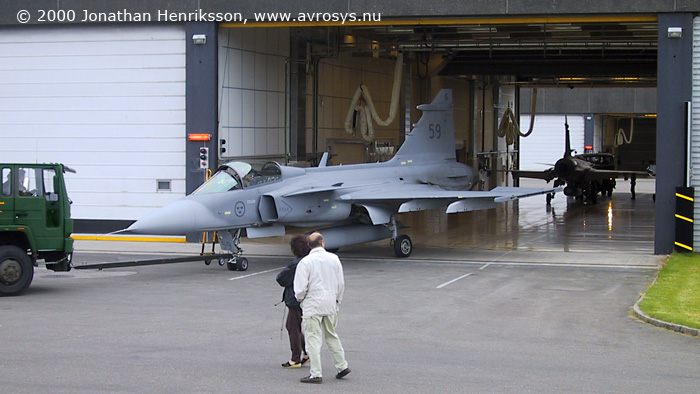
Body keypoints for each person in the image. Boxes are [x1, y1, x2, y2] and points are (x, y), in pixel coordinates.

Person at [294, 232, 350, 384]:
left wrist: (301, 300)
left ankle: (316, 373)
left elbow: (299, 288)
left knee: (313, 340)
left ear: (309, 245)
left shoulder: (306, 262)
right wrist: (337, 300)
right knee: (332, 335)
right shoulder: (334, 259)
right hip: (330, 303)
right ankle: (342, 365)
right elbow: (341, 284)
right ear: (323, 243)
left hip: (312, 305)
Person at [276, 234, 311, 369]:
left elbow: (282, 279)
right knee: (295, 326)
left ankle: (295, 358)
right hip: (309, 298)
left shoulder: (296, 264)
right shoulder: (310, 261)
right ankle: (307, 352)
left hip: (296, 299)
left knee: (293, 327)